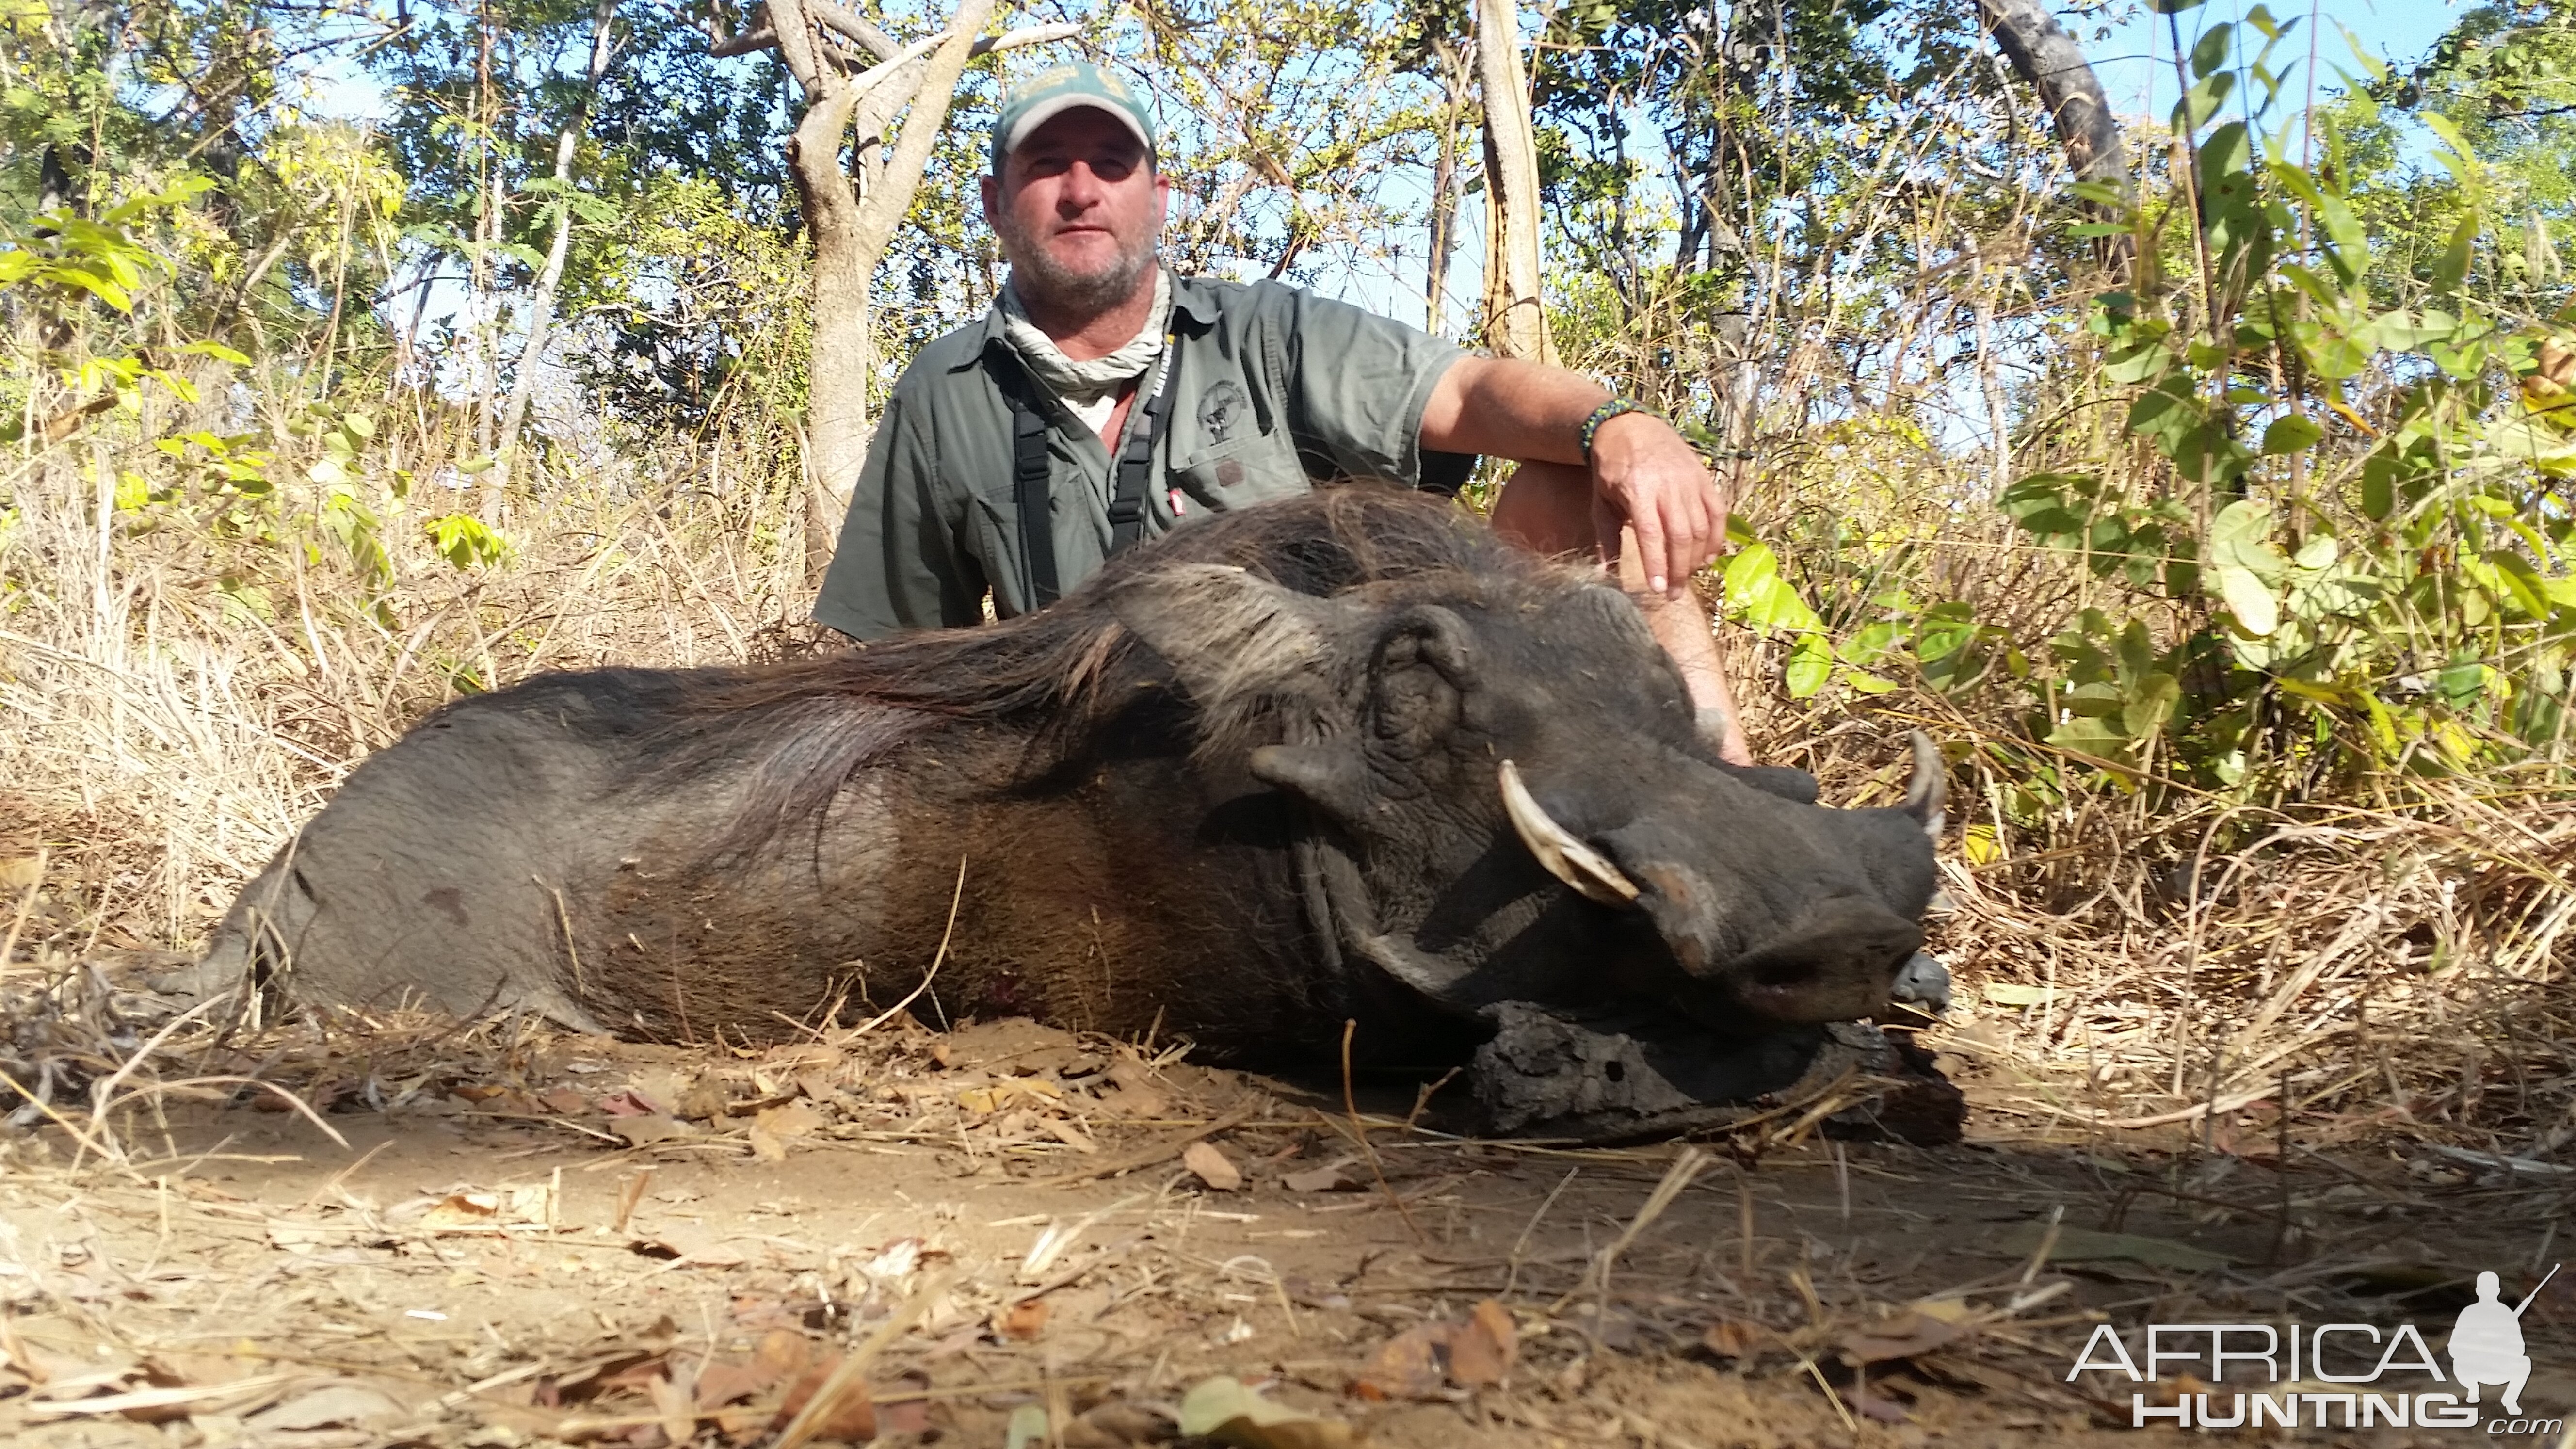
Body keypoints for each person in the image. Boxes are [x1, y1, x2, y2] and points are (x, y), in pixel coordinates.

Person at [813, 61, 1755, 763]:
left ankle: (1728, 808)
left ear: (1158, 197)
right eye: (1047, 164)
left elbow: (1470, 391)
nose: (1081, 188)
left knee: (1570, 478)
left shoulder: (1265, 332)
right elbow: (902, 665)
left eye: (1111, 161)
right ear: (995, 203)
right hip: (1102, 773)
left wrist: (1619, 425)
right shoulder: (944, 389)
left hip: (1338, 735)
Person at [2449, 1269, 2535, 1416]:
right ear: (2478, 1291)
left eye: (2492, 1288)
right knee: (2458, 1362)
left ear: (2498, 1290)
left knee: (2525, 1362)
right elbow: (2454, 1346)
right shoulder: (2469, 1313)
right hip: (2474, 1366)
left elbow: (2519, 1347)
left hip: (2500, 1365)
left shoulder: (2506, 1313)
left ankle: (2510, 1399)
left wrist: (2501, 1345)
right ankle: (2473, 1391)